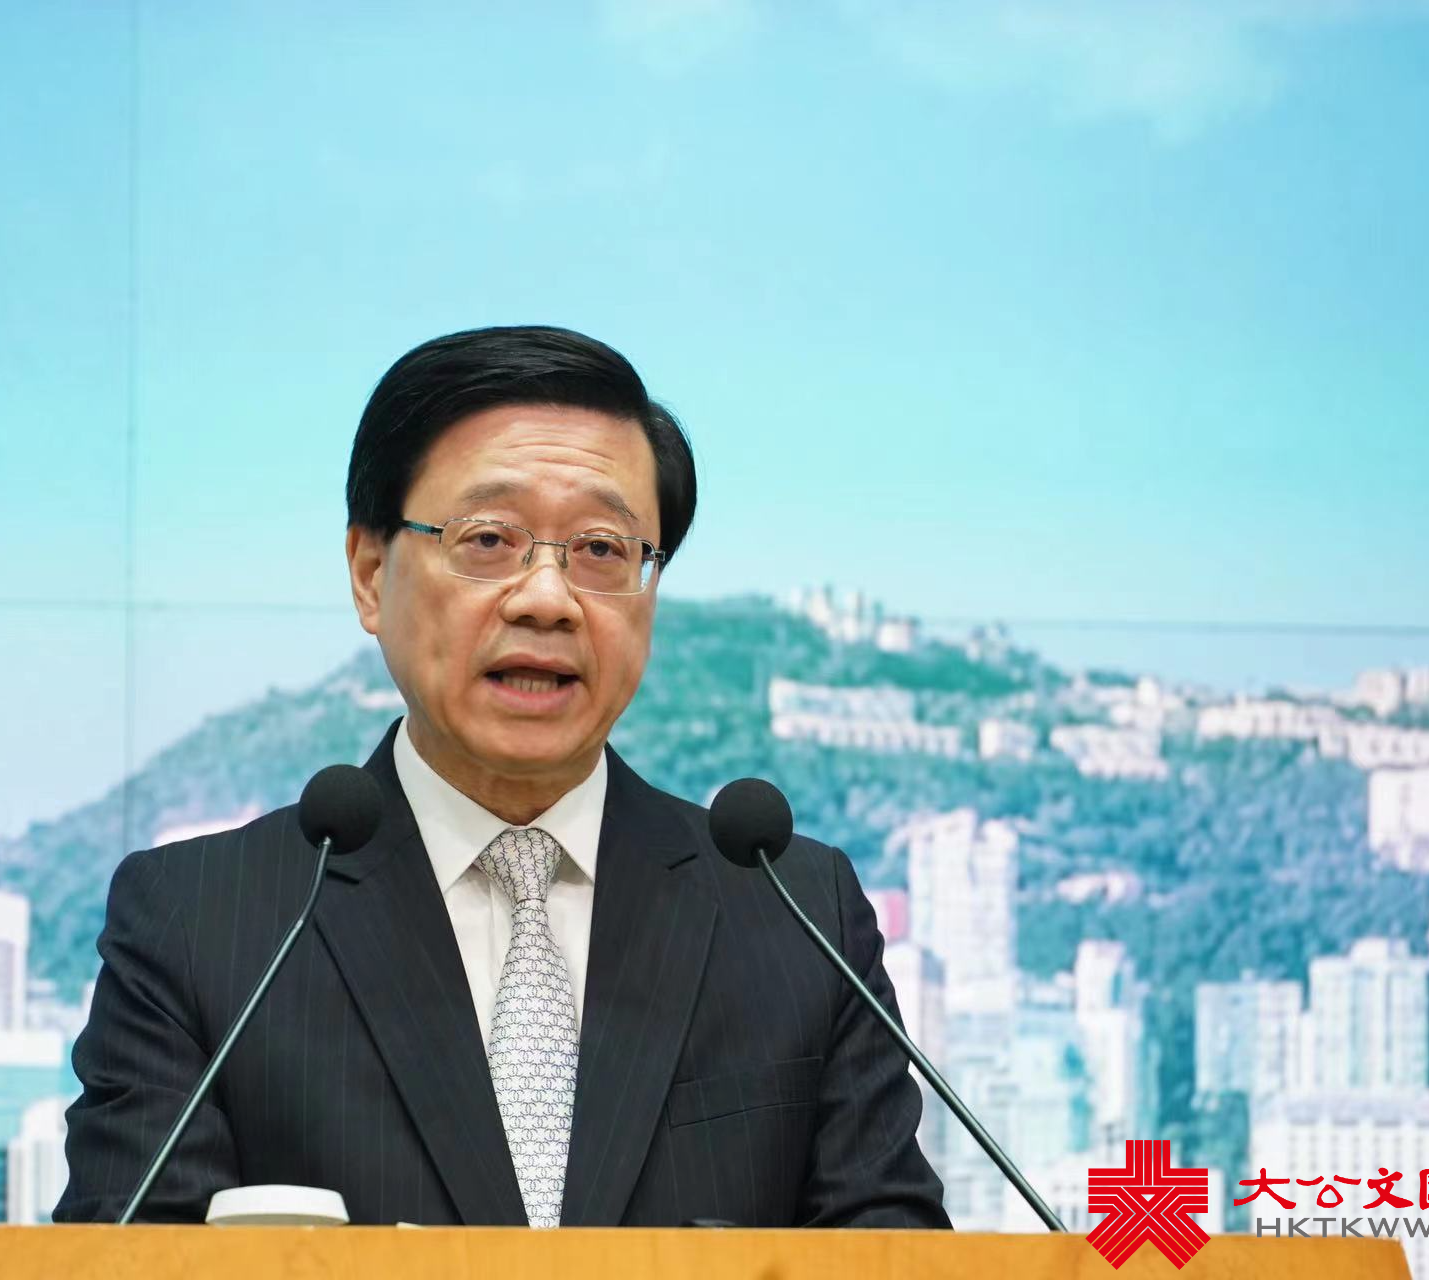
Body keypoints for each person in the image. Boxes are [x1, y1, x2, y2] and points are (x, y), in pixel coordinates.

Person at [55, 325, 949, 1229]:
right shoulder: (203, 924)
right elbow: (126, 1260)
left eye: (603, 550)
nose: (547, 599)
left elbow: (895, 1252)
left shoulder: (798, 914)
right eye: (488, 539)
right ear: (369, 574)